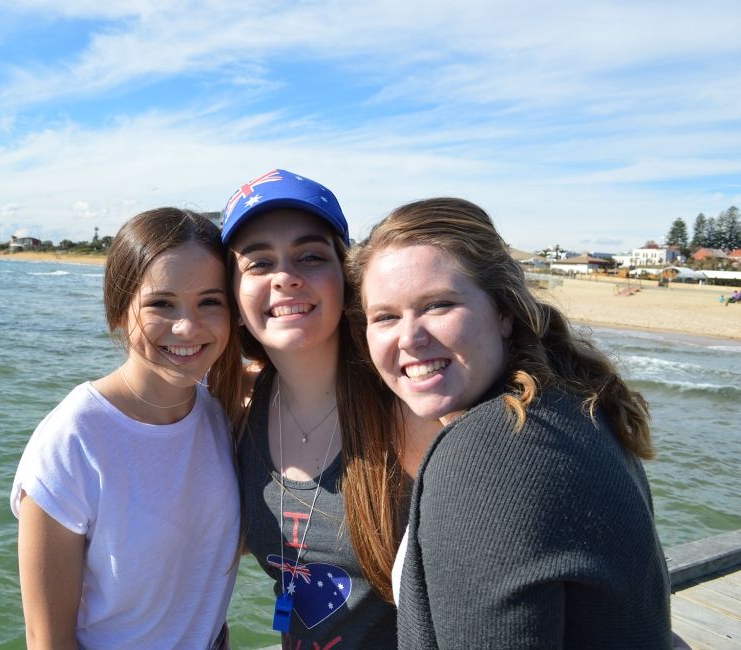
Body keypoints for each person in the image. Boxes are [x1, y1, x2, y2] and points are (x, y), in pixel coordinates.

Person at [350, 197, 672, 648]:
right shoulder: (576, 408)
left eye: (438, 305)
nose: (410, 337)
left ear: (503, 312)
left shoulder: (488, 454)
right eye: (385, 316)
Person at [11, 208, 244, 649]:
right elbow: (47, 640)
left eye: (209, 302)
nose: (187, 326)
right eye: (161, 303)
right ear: (120, 311)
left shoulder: (223, 411)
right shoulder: (75, 438)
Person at [222, 169, 435, 647]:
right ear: (234, 297)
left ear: (347, 279)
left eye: (311, 256)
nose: (285, 278)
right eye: (258, 264)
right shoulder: (240, 409)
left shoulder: (409, 409)